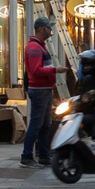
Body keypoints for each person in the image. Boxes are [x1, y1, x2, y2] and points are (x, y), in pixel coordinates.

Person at [18, 18, 57, 166]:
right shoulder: (35, 47)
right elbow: (35, 70)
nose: (50, 30)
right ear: (41, 29)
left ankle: (44, 155)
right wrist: (55, 70)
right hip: (40, 90)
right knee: (36, 123)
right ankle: (26, 156)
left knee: (45, 124)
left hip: (44, 90)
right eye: (48, 28)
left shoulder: (40, 46)